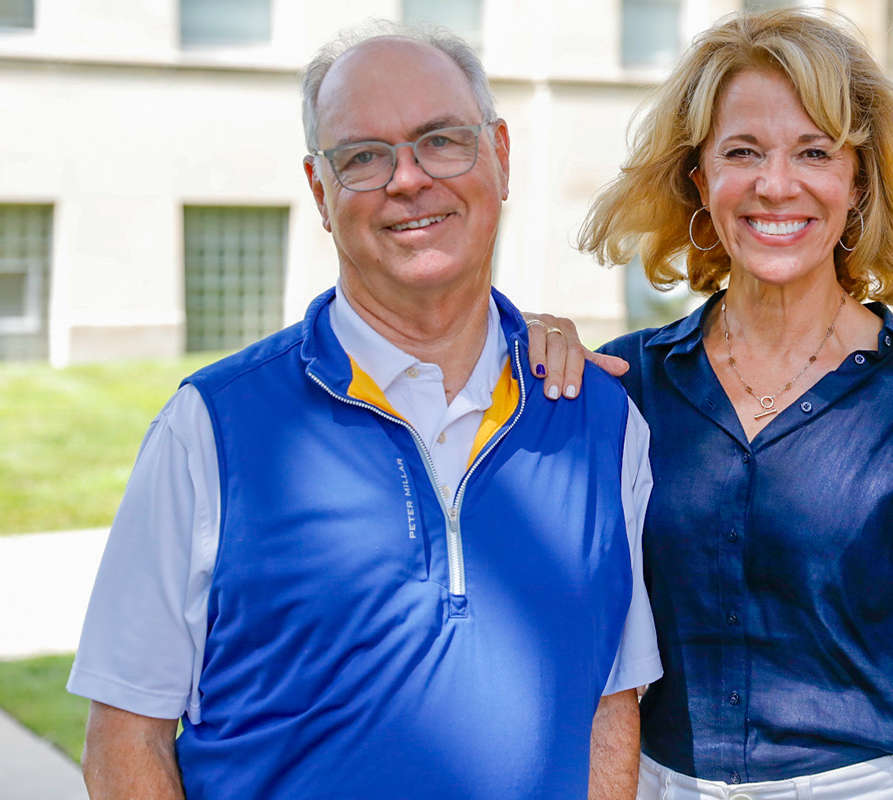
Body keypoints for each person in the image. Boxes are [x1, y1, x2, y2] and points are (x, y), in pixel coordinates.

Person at [66, 26, 660, 800]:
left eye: (442, 141)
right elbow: (124, 742)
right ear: (320, 191)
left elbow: (608, 706)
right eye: (364, 157)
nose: (408, 180)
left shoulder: (601, 424)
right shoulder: (211, 429)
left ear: (501, 157)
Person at [557, 9, 893, 800]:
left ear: (858, 181)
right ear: (700, 180)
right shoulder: (630, 386)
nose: (775, 184)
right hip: (667, 782)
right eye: (743, 153)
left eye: (814, 152)